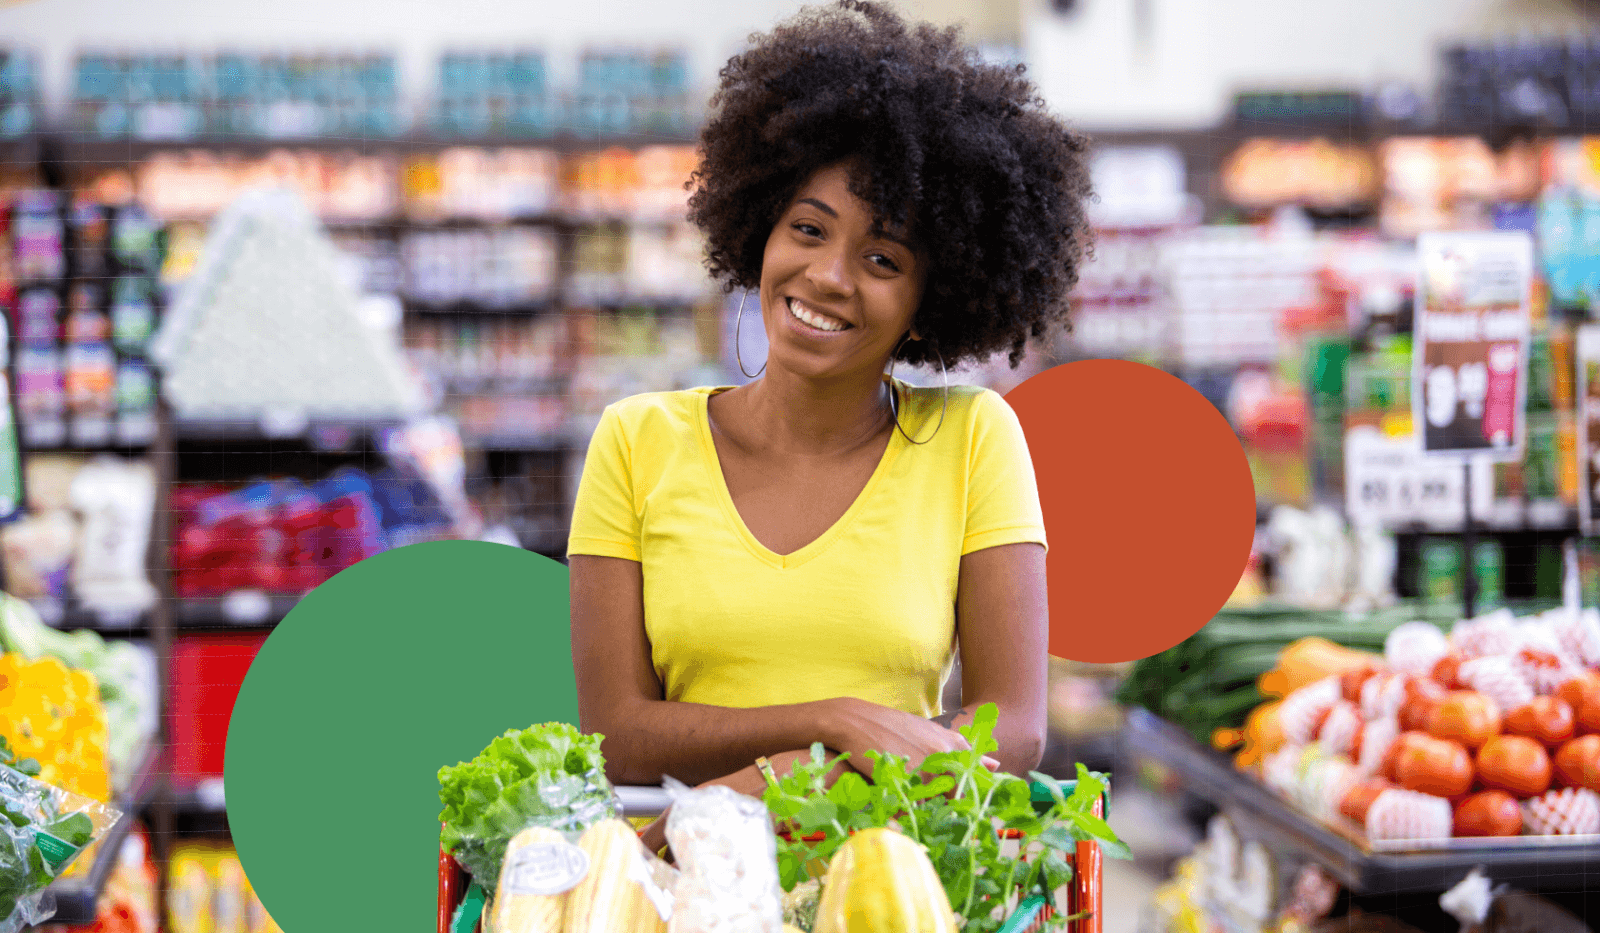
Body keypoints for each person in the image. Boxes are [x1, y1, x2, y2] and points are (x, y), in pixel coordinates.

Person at [566, 0, 1093, 848]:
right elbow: (618, 736)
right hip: (696, 895)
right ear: (760, 231)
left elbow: (1014, 730)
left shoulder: (974, 439)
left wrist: (741, 797)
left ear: (932, 302)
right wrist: (844, 722)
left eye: (883, 259)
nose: (828, 276)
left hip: (891, 880)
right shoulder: (636, 441)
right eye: (807, 230)